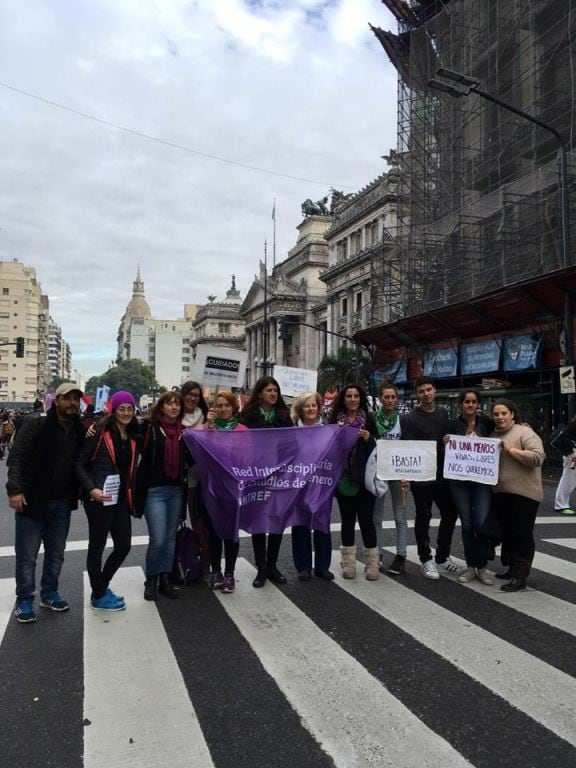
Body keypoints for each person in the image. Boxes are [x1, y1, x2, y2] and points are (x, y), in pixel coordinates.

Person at [6, 383, 86, 623]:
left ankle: (49, 593)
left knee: (56, 553)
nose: (72, 403)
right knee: (27, 555)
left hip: (62, 501)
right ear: (57, 400)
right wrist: (15, 490)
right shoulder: (36, 423)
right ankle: (24, 600)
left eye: (76, 399)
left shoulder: (79, 428)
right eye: (68, 398)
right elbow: (17, 457)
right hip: (32, 498)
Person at [76, 391, 140, 611]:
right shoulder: (99, 432)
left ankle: (100, 587)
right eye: (122, 408)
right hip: (98, 499)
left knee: (124, 546)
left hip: (120, 498)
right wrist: (91, 489)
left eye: (130, 408)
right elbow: (79, 464)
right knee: (97, 546)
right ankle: (100, 594)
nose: (126, 413)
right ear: (114, 410)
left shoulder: (133, 434)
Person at [401, 376, 460, 580]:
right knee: (424, 516)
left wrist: (447, 441)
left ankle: (442, 556)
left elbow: (448, 441)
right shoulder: (409, 419)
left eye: (429, 389)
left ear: (435, 390)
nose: (426, 394)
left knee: (450, 513)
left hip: (443, 474)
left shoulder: (443, 413)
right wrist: (407, 478)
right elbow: (408, 449)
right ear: (417, 394)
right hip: (422, 477)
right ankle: (426, 559)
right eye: (421, 391)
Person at [240, 375, 292, 588]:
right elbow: (237, 441)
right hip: (256, 475)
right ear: (260, 393)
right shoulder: (247, 416)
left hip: (279, 475)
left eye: (275, 391)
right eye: (269, 390)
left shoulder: (283, 415)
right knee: (259, 522)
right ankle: (261, 568)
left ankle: (272, 565)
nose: (273, 394)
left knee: (277, 520)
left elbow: (293, 443)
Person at [491, 398, 546, 592]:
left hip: (525, 494)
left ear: (512, 414)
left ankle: (521, 576)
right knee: (508, 533)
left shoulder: (525, 433)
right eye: (496, 414)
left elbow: (538, 458)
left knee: (522, 534)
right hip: (501, 494)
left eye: (504, 413)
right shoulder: (491, 435)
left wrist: (511, 450)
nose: (500, 417)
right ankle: (512, 569)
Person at [136, 392, 185, 601]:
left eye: (177, 404)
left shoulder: (184, 432)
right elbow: (123, 431)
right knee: (158, 539)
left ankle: (165, 578)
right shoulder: (149, 428)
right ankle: (151, 578)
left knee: (171, 538)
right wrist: (96, 426)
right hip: (154, 491)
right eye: (169, 403)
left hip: (176, 489)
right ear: (161, 406)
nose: (174, 407)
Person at [328, 384, 379, 581]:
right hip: (344, 478)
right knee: (347, 521)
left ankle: (372, 563)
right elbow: (328, 447)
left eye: (356, 396)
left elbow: (380, 447)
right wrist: (336, 435)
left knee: (367, 521)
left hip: (365, 479)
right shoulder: (334, 420)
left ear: (361, 398)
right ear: (343, 398)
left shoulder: (369, 419)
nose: (352, 399)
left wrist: (369, 439)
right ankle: (348, 563)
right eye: (349, 396)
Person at [444, 390, 495, 586]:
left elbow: (502, 433)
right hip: (459, 482)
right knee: (466, 524)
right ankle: (470, 566)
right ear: (461, 405)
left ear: (478, 404)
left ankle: (481, 567)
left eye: (474, 402)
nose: (470, 405)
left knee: (480, 522)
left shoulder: (487, 424)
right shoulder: (453, 424)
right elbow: (446, 452)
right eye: (467, 402)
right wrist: (445, 443)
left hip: (481, 482)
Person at [201, 391, 247, 593]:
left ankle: (229, 573)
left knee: (231, 532)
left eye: (227, 405)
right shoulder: (205, 430)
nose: (223, 409)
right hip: (211, 488)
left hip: (234, 489)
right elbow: (200, 454)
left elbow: (249, 459)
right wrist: (209, 428)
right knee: (213, 532)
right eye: (219, 406)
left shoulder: (243, 430)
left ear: (233, 407)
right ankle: (216, 571)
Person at [290, 392, 334, 581]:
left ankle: (322, 566)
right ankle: (303, 566)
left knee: (322, 523)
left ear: (319, 408)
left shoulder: (328, 431)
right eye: (306, 405)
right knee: (300, 524)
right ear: (301, 409)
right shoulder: (291, 432)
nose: (310, 409)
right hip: (298, 484)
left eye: (313, 405)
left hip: (322, 484)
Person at [373, 381, 409, 576]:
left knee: (400, 515)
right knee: (376, 516)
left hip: (399, 473)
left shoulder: (403, 420)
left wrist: (409, 475)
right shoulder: (372, 419)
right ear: (380, 399)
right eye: (386, 397)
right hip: (378, 472)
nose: (390, 400)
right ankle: (377, 554)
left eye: (393, 397)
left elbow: (410, 448)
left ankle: (401, 556)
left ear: (397, 399)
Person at [552, 417, 576, 515]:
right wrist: (571, 453)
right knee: (569, 479)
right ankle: (561, 505)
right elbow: (563, 437)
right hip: (573, 453)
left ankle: (561, 504)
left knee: (570, 478)